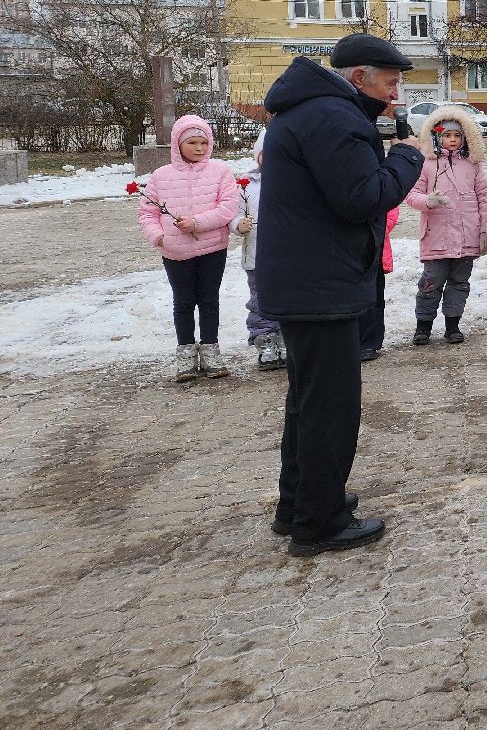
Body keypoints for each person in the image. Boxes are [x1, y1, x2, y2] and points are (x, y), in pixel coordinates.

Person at [258, 33, 423, 556]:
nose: (395, 96)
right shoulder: (332, 117)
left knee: (308, 401)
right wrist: (406, 159)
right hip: (321, 284)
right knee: (330, 406)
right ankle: (320, 523)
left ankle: (301, 504)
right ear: (360, 78)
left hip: (308, 279)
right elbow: (362, 197)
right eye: (391, 84)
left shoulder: (311, 111)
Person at [138, 114, 242, 382]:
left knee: (209, 300)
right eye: (192, 143)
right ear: (177, 145)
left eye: (203, 143)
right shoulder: (161, 177)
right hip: (176, 252)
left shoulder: (221, 173)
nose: (199, 148)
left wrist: (197, 223)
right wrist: (158, 236)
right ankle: (185, 351)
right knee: (183, 302)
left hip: (212, 249)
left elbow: (228, 208)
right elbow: (147, 213)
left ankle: (210, 349)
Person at [405, 106, 487, 346]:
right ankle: (423, 326)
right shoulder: (426, 164)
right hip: (436, 236)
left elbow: (484, 196)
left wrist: (486, 230)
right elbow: (411, 195)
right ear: (437, 136)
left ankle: (452, 325)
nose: (452, 140)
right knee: (430, 282)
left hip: (467, 236)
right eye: (447, 135)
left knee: (459, 282)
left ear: (465, 137)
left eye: (457, 136)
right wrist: (428, 201)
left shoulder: (472, 165)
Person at [231, 128, 282, 371]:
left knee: (288, 297)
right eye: (266, 152)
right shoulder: (246, 185)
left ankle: (286, 339)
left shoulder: (294, 181)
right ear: (258, 155)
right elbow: (234, 213)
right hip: (257, 255)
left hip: (288, 255)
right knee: (260, 300)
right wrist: (238, 225)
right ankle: (264, 340)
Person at [359, 207, 399, 362]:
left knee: (374, 297)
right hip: (350, 249)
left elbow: (392, 209)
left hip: (376, 246)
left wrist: (376, 229)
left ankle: (370, 343)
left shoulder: (378, 184)